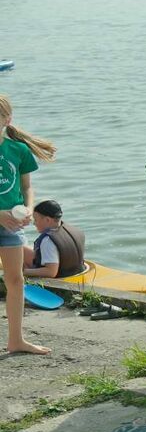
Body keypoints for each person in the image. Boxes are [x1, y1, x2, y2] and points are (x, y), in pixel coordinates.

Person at [0, 96, 56, 355]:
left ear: (7, 120)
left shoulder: (18, 150)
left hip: (11, 225)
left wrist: (30, 208)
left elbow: (26, 186)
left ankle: (16, 340)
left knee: (15, 279)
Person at [23, 200, 86, 279]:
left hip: (61, 277)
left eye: (36, 220)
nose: (34, 223)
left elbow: (51, 272)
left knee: (17, 259)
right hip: (77, 271)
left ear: (47, 220)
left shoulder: (48, 241)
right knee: (20, 249)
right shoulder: (75, 230)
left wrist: (23, 271)